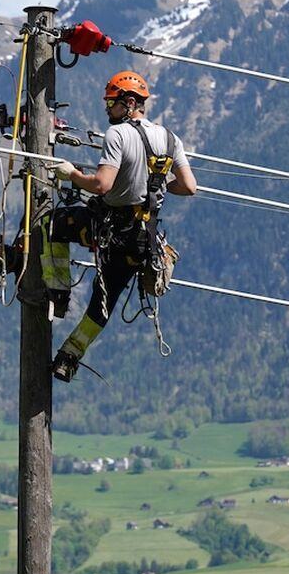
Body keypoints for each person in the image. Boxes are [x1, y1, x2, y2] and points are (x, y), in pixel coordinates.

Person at [44, 70, 195, 381]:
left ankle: (58, 293)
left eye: (111, 103)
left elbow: (101, 184)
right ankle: (69, 356)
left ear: (128, 103)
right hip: (143, 241)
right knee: (104, 300)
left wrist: (71, 173)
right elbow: (189, 186)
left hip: (110, 228)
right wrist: (156, 185)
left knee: (52, 223)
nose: (107, 109)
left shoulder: (118, 135)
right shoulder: (170, 139)